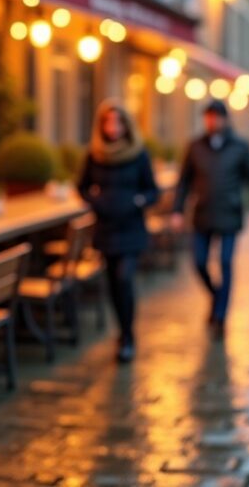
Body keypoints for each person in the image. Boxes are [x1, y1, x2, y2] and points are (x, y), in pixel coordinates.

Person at [171, 100, 249, 339]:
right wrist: (177, 210)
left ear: (225, 119)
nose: (213, 122)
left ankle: (220, 316)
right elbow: (184, 181)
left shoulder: (240, 147)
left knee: (225, 262)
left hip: (229, 214)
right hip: (202, 213)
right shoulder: (195, 147)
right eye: (209, 117)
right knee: (199, 262)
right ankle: (216, 296)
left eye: (217, 117)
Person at [78, 99, 161, 363]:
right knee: (113, 282)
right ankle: (122, 331)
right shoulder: (95, 154)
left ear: (126, 124)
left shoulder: (138, 154)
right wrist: (96, 202)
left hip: (131, 227)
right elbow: (81, 186)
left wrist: (137, 201)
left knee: (125, 278)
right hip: (106, 227)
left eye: (117, 121)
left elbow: (153, 191)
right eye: (107, 122)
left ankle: (127, 335)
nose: (112, 127)